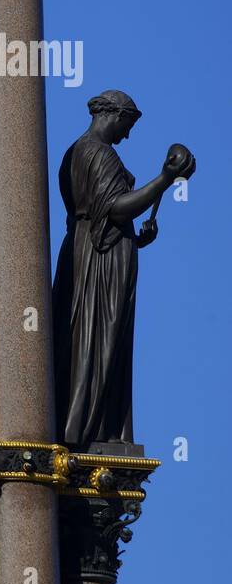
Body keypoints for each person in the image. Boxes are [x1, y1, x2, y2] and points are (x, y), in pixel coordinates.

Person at [51, 90, 194, 446]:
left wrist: (138, 237)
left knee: (98, 341)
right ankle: (88, 428)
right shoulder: (97, 153)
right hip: (101, 263)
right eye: (128, 125)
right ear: (113, 115)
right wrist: (165, 179)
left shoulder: (74, 151)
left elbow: (105, 215)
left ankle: (94, 426)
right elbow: (115, 209)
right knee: (100, 339)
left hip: (91, 250)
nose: (127, 135)